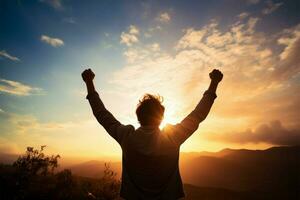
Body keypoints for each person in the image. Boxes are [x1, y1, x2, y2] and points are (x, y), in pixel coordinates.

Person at [82, 68, 223, 200]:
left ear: (138, 116)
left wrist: (89, 83)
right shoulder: (173, 137)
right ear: (161, 118)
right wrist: (214, 83)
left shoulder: (127, 136)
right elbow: (198, 115)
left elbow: (102, 115)